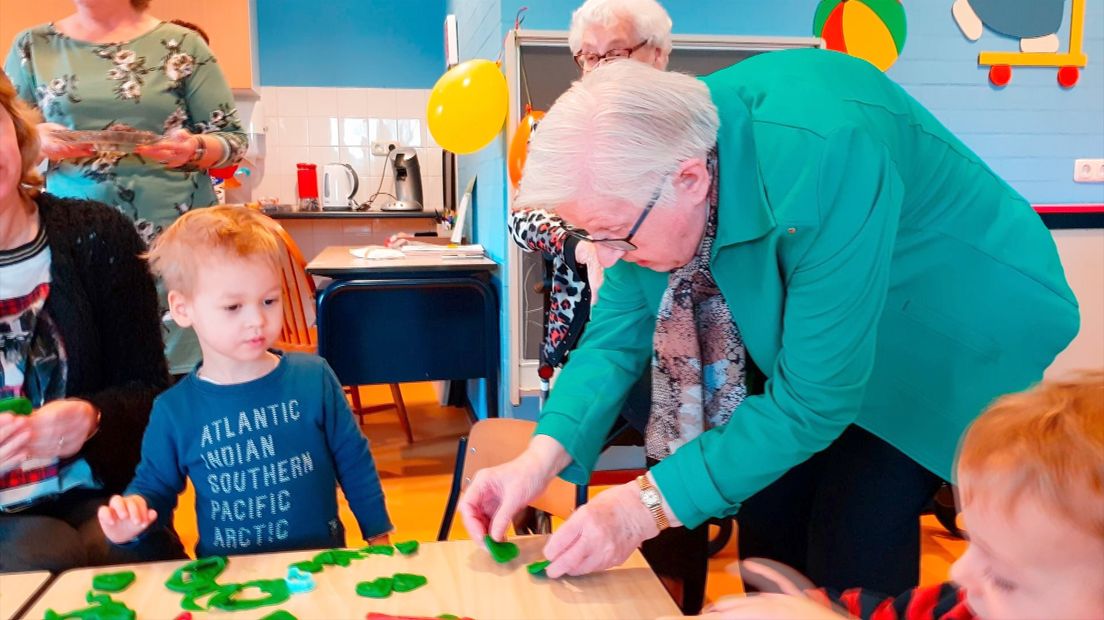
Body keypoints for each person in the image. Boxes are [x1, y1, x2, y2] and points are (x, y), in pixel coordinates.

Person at [459, 52, 1080, 613]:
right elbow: (614, 333)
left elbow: (814, 401)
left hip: (947, 323)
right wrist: (537, 461)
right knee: (772, 527)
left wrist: (640, 508)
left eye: (615, 234)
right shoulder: (651, 169)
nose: (608, 255)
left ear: (690, 181)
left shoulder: (828, 148)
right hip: (827, 320)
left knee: (851, 542)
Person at [685, 371, 1104, 620]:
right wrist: (818, 608)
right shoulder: (968, 604)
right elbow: (888, 610)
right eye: (975, 544)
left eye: (1004, 577)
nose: (960, 573)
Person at [97, 207, 393, 557]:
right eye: (233, 307)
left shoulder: (314, 379)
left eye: (269, 300)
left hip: (320, 568)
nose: (257, 319)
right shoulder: (174, 410)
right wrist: (132, 517)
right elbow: (154, 489)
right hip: (228, 582)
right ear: (182, 309)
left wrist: (378, 538)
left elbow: (354, 461)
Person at [0, 70, 184, 571]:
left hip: (95, 488)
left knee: (127, 559)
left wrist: (93, 417)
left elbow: (150, 393)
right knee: (43, 558)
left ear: (16, 131)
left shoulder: (96, 236)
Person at [4, 0, 249, 375]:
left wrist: (195, 147)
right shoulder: (31, 47)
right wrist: (35, 140)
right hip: (78, 249)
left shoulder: (183, 45)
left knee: (184, 379)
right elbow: (9, 144)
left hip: (174, 246)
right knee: (95, 370)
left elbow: (233, 139)